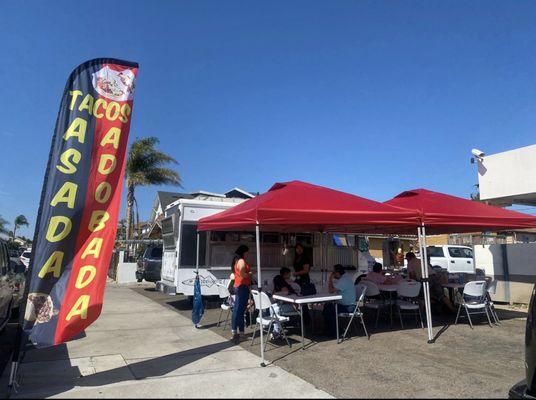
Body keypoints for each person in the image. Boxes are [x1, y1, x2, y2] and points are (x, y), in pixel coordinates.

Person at [323, 264, 357, 336]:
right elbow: (333, 290)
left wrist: (330, 279)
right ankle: (331, 329)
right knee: (327, 306)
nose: (333, 274)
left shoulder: (343, 280)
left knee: (329, 309)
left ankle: (334, 332)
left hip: (349, 307)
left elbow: (331, 290)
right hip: (346, 304)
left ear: (337, 272)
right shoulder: (345, 278)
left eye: (334, 273)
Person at [230, 245, 251, 344]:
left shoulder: (236, 260)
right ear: (244, 252)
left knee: (238, 309)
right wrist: (249, 274)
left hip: (238, 286)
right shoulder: (241, 261)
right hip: (242, 286)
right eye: (247, 252)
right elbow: (243, 274)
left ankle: (237, 331)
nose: (248, 254)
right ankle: (238, 332)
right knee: (239, 310)